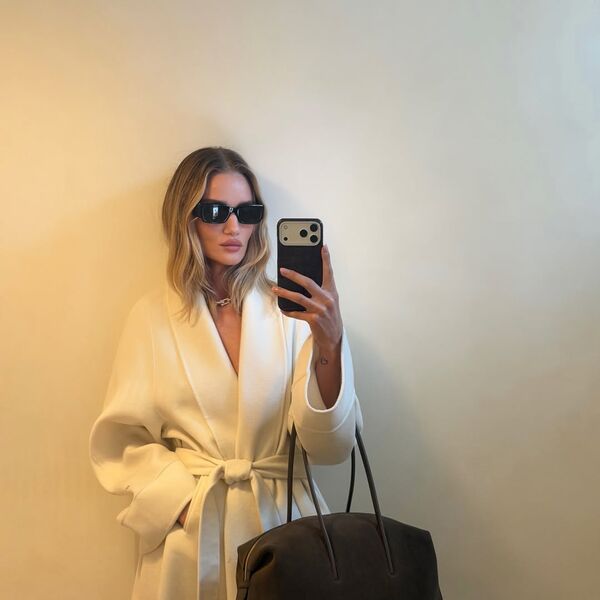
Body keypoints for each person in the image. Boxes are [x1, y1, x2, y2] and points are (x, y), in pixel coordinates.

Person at [88, 147, 364, 600]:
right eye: (216, 212)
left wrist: (330, 341)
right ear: (186, 218)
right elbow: (119, 439)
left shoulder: (293, 316)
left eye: (247, 212)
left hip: (284, 530)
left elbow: (329, 447)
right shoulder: (152, 318)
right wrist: (179, 503)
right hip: (192, 539)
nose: (234, 227)